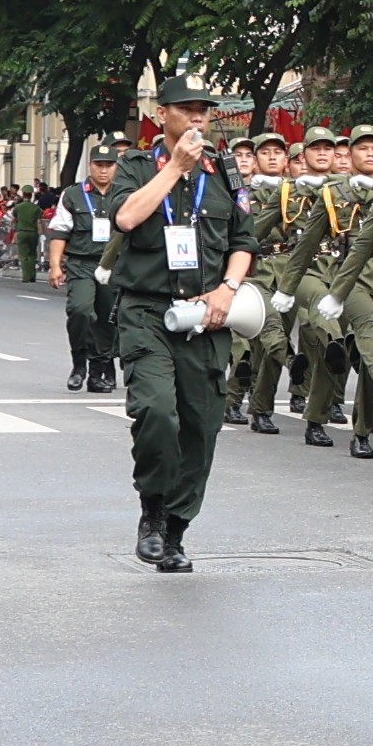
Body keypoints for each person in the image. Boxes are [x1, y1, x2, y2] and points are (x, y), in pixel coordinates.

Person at [105, 79, 258, 571]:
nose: (197, 119)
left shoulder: (224, 172)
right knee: (156, 411)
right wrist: (174, 168)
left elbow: (243, 240)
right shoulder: (136, 165)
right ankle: (152, 510)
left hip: (207, 317)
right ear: (161, 114)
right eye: (186, 109)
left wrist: (228, 288)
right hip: (147, 311)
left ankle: (175, 530)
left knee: (201, 428)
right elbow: (127, 218)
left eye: (203, 111)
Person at [44, 143, 124, 393]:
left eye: (109, 165)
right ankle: (79, 363)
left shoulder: (126, 194)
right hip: (81, 263)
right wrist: (55, 265)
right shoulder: (73, 194)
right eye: (99, 165)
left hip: (114, 266)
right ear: (90, 166)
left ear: (116, 167)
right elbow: (59, 232)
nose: (103, 170)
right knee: (80, 310)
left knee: (108, 319)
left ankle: (98, 371)